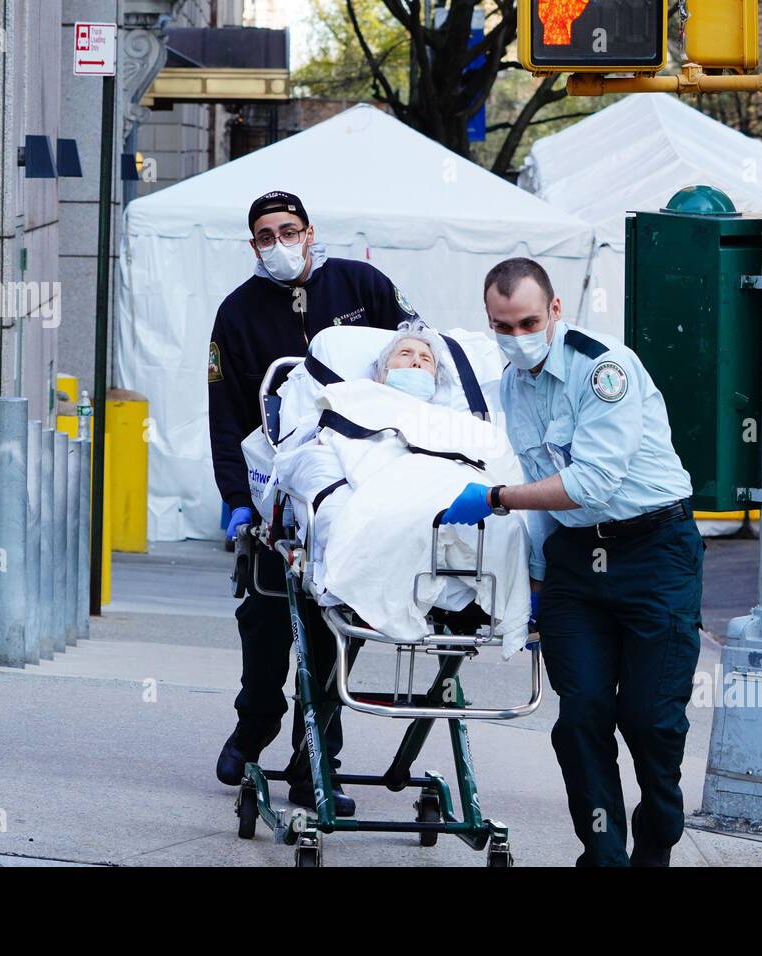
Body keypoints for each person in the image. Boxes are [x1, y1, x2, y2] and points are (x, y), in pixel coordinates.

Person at [443, 257, 704, 866]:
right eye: (501, 327)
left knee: (650, 719)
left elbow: (590, 481)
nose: (516, 338)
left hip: (654, 550)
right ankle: (603, 852)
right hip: (574, 563)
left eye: (528, 322)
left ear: (556, 310)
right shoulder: (513, 384)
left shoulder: (602, 369)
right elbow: (544, 491)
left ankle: (658, 836)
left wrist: (494, 498)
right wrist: (534, 583)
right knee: (581, 712)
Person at [208, 190, 413, 814]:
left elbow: (417, 358)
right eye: (266, 235)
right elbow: (226, 413)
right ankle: (256, 723)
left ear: (310, 230)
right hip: (277, 493)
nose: (279, 243)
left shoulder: (362, 287)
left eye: (288, 230)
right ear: (253, 245)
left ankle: (315, 765)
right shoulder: (237, 314)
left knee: (332, 632)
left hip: (352, 489)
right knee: (267, 621)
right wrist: (235, 498)